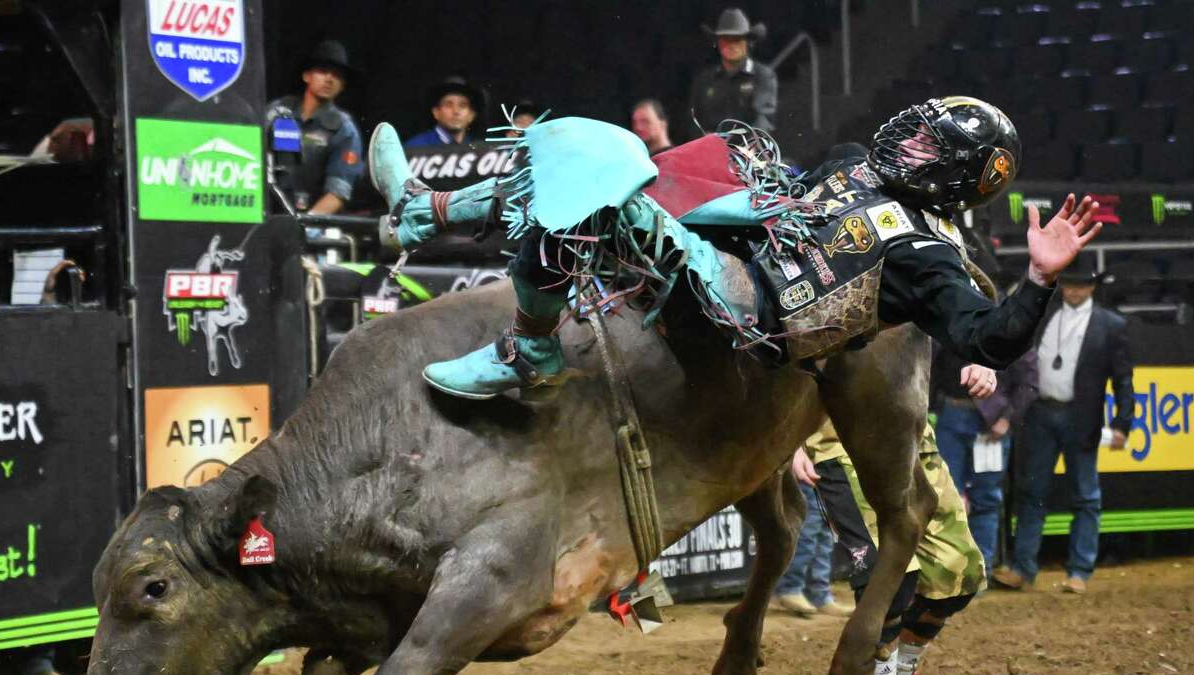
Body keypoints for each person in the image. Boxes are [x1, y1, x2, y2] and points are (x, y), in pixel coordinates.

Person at [367, 95, 1102, 400]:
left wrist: (1038, 277)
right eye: (916, 126)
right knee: (583, 161)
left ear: (946, 173)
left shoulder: (925, 254)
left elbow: (988, 337)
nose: (904, 138)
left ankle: (530, 351)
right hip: (739, 246)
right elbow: (791, 204)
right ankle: (421, 210)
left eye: (924, 141)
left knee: (593, 195)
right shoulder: (853, 161)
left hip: (751, 316)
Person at [795, 378, 992, 675]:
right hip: (839, 441)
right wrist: (791, 443)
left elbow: (950, 318)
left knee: (960, 573)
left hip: (911, 431)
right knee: (887, 579)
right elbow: (775, 342)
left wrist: (983, 355)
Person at [992, 253, 1134, 595]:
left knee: (1085, 496)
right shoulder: (1045, 316)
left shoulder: (1111, 325)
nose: (1073, 290)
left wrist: (1122, 423)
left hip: (1080, 417)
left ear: (1092, 287)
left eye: (1081, 284)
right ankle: (1023, 568)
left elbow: (1124, 380)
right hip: (1040, 412)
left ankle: (1079, 571)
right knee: (1031, 493)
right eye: (1069, 284)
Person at [932, 342, 1038, 573]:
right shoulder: (949, 319)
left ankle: (979, 572)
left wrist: (1007, 418)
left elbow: (1029, 382)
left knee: (985, 499)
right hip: (952, 414)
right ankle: (950, 573)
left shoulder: (1009, 325)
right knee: (946, 499)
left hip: (990, 424)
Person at [266, 39, 364, 214]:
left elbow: (338, 192)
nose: (329, 79)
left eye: (337, 75)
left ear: (342, 85)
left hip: (310, 224)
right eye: (323, 71)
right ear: (306, 76)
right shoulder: (276, 112)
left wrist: (305, 227)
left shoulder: (344, 129)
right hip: (264, 215)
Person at [688, 8, 778, 138]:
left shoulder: (763, 76)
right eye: (726, 39)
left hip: (749, 152)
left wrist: (751, 146)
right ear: (717, 42)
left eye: (737, 39)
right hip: (710, 151)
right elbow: (693, 120)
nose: (731, 44)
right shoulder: (703, 80)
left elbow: (763, 118)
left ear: (748, 42)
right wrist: (703, 142)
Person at [771, 478, 852, 617]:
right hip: (804, 471)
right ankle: (790, 588)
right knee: (807, 531)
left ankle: (818, 594)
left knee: (823, 535)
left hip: (823, 471)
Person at [403, 77, 485, 147]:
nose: (456, 111)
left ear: (471, 115)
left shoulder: (479, 151)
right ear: (436, 112)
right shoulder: (416, 147)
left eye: (462, 105)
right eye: (448, 105)